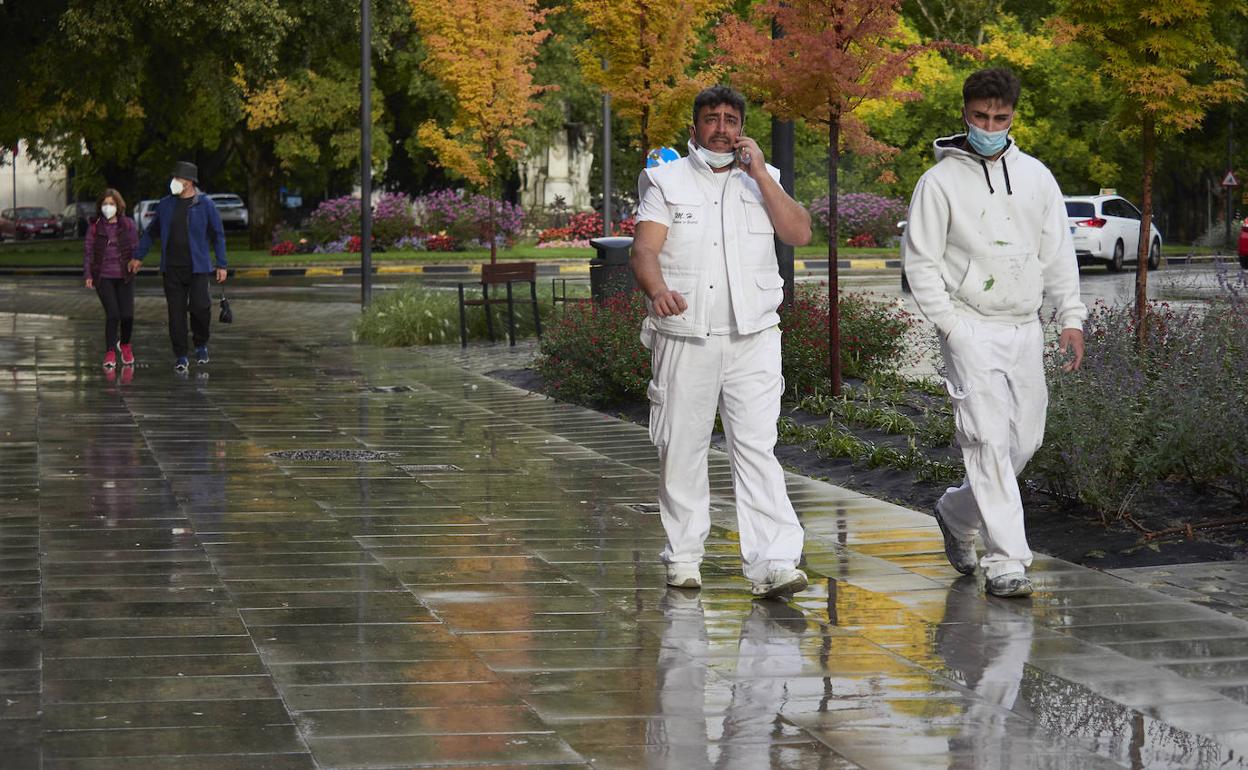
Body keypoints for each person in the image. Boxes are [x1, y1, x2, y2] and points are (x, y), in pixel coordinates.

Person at [903, 68, 1087, 598]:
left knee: (1023, 440)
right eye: (980, 116)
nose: (989, 125)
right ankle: (1007, 560)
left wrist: (1069, 317)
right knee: (986, 439)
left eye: (999, 117)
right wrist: (953, 327)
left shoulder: (1036, 176)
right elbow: (920, 264)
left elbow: (1056, 253)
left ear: (1013, 116)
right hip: (969, 324)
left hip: (1024, 325)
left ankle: (957, 513)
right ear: (965, 113)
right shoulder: (938, 182)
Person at [630, 85, 813, 600]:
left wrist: (759, 174)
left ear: (742, 128)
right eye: (712, 119)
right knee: (681, 450)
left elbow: (799, 233)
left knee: (757, 448)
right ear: (694, 128)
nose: (722, 128)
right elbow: (644, 250)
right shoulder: (665, 181)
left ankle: (773, 563)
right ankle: (684, 557)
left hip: (754, 337)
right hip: (685, 337)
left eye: (732, 119)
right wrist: (658, 289)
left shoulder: (765, 179)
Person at [135, 160, 227, 372]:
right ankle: (181, 355)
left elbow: (217, 235)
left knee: (200, 308)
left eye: (177, 178)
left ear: (188, 182)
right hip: (172, 269)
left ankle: (201, 343)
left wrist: (221, 264)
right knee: (175, 314)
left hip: (198, 268)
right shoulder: (166, 204)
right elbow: (151, 232)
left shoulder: (205, 204)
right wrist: (139, 256)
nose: (173, 181)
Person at [83, 189, 141, 369]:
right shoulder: (95, 227)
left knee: (128, 316)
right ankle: (109, 352)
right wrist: (88, 275)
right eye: (105, 204)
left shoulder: (128, 224)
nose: (108, 207)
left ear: (119, 206)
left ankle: (124, 344)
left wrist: (136, 262)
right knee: (113, 314)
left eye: (112, 204)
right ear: (100, 206)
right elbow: (88, 252)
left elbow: (135, 247)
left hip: (125, 276)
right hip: (103, 276)